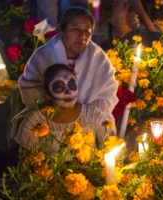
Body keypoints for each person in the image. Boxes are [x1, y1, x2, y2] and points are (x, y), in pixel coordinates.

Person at [11, 7, 118, 138]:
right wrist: (59, 111)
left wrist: (83, 114)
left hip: (88, 123)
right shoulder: (44, 55)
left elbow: (108, 94)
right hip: (50, 121)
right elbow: (29, 89)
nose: (82, 36)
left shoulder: (99, 59)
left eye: (87, 32)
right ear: (62, 30)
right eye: (76, 30)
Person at [15, 63, 116, 154]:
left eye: (72, 85)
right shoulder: (34, 122)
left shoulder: (92, 114)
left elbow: (112, 148)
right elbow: (26, 164)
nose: (68, 92)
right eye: (59, 87)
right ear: (47, 94)